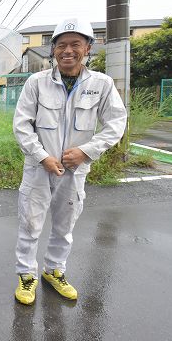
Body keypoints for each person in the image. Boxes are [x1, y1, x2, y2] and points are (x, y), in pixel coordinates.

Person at [12, 18, 127, 305]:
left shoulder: (101, 84)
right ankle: (27, 275)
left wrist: (87, 151)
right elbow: (22, 125)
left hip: (75, 170)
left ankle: (54, 271)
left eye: (76, 44)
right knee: (30, 223)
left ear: (88, 47)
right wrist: (42, 157)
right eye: (61, 45)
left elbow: (116, 123)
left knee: (65, 226)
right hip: (39, 167)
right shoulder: (36, 82)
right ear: (53, 50)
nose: (68, 51)